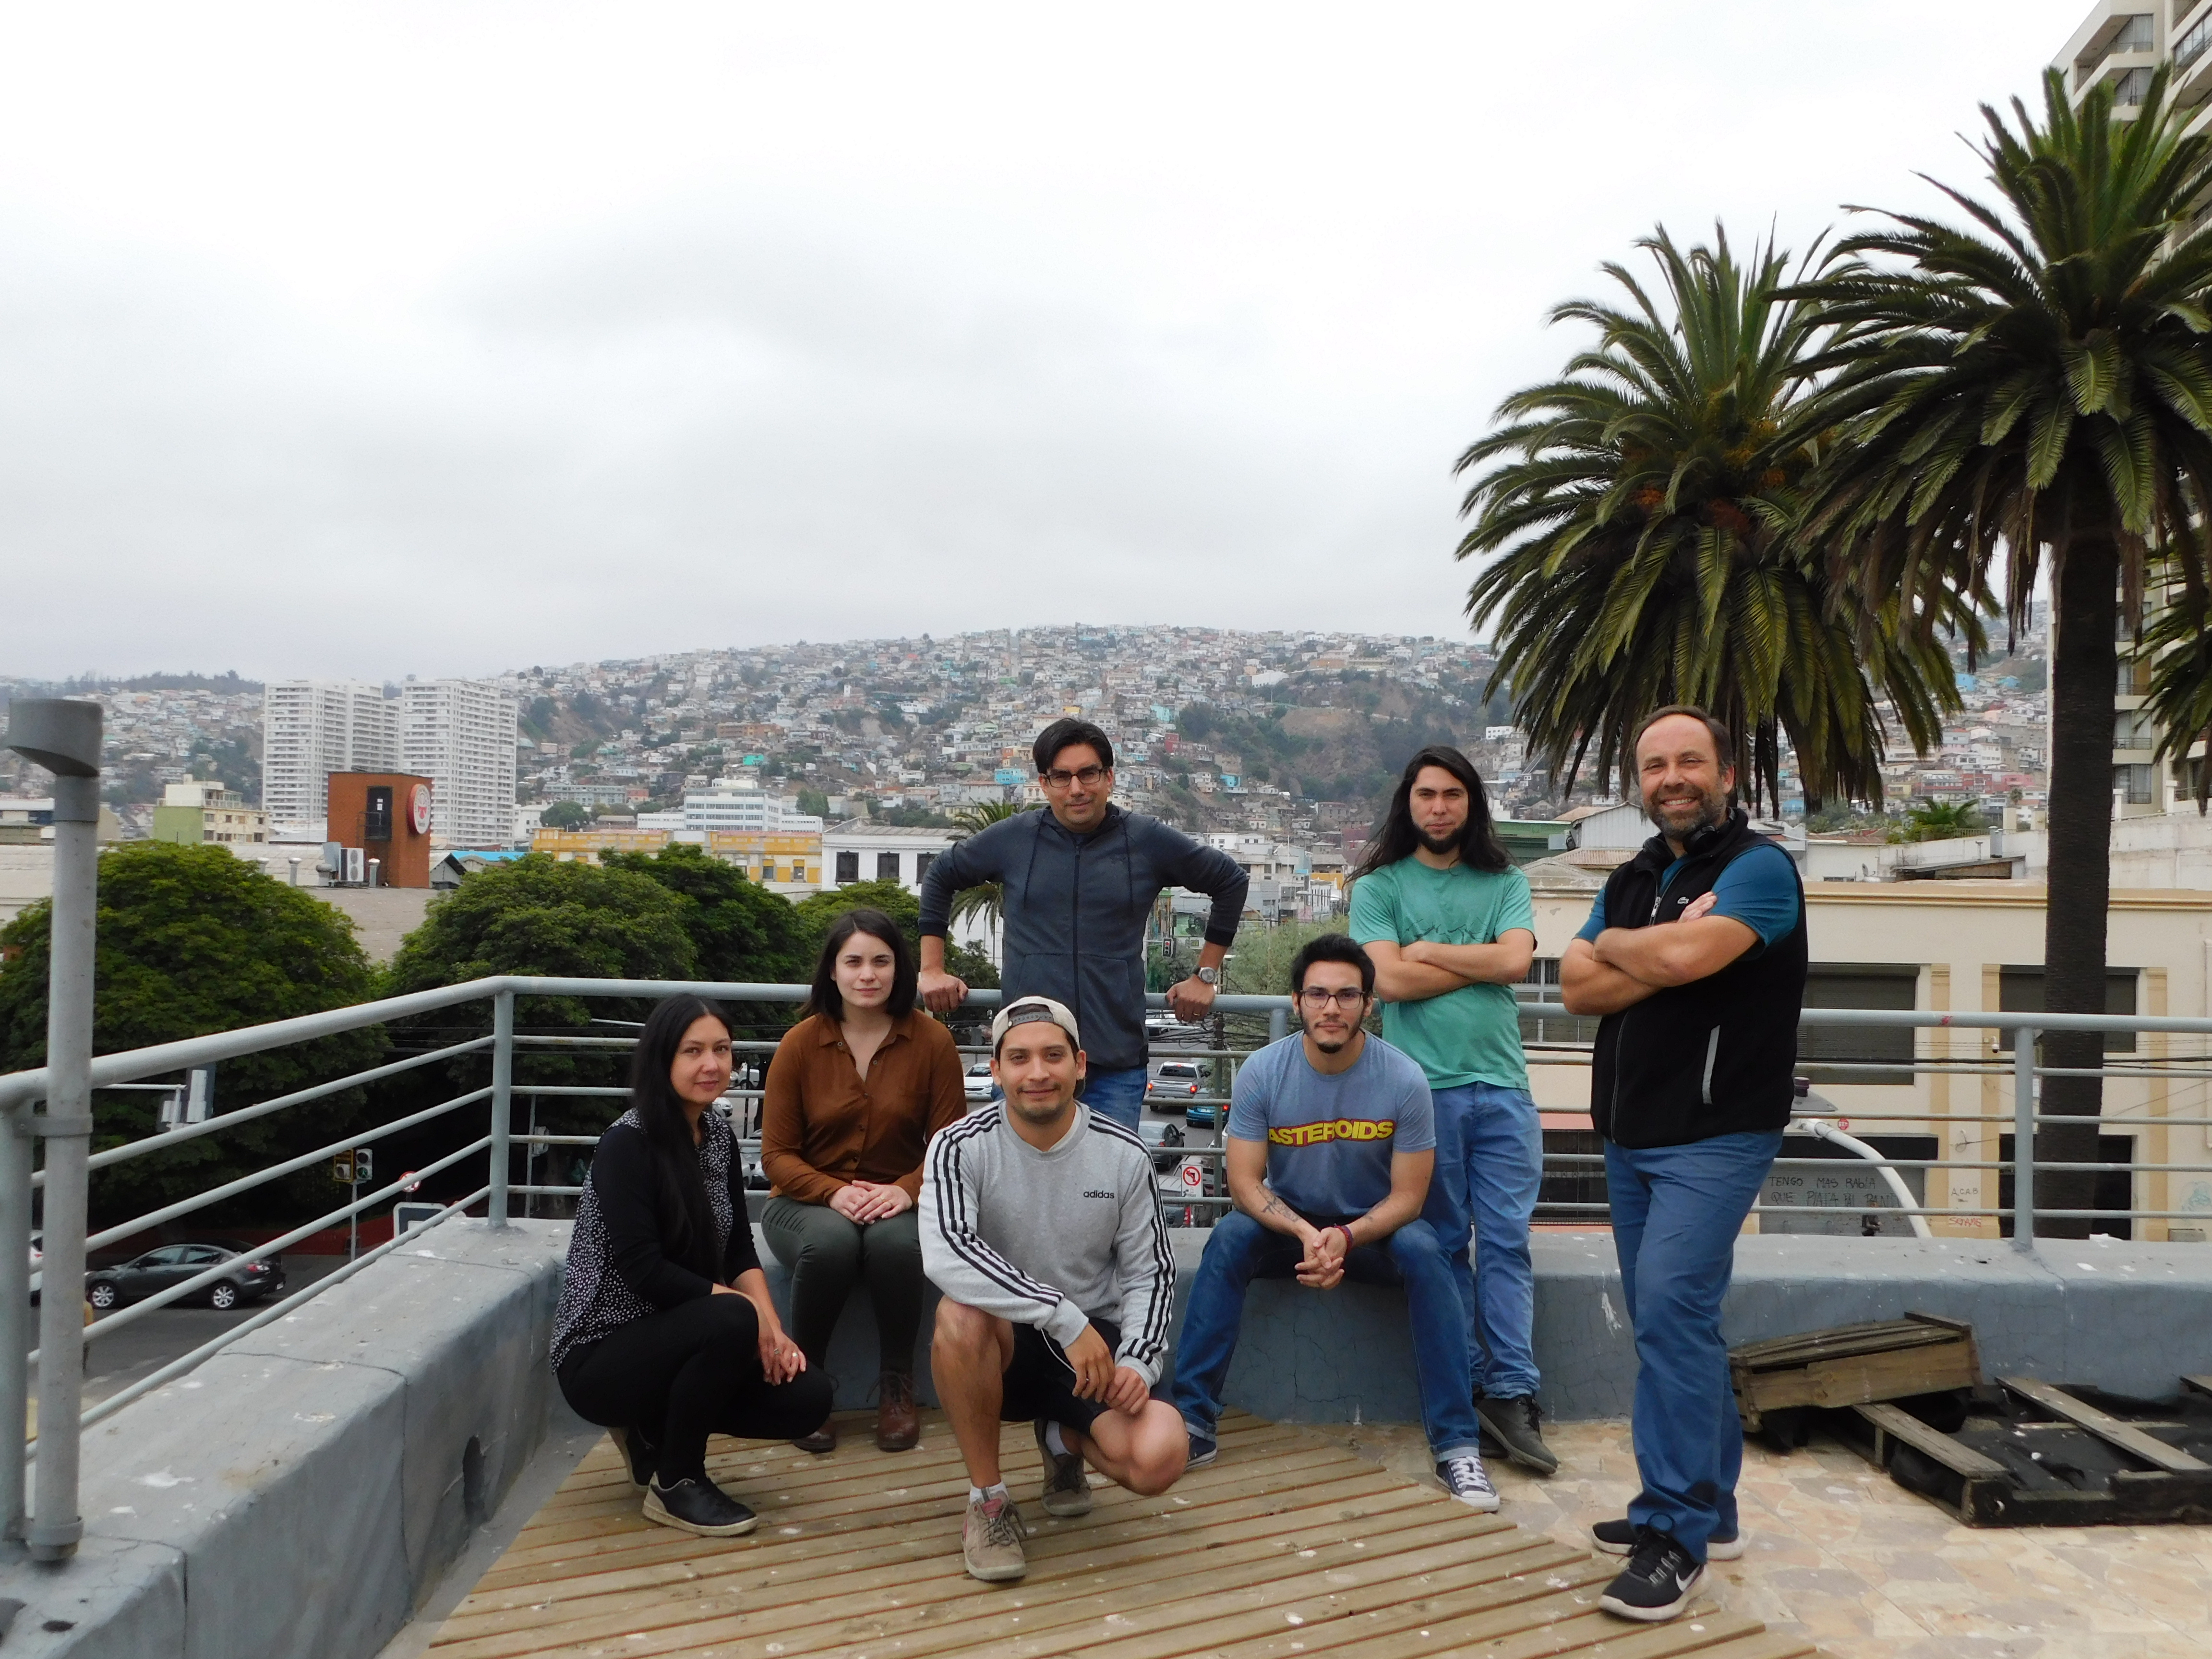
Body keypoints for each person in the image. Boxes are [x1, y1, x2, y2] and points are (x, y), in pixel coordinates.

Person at [1561, 706, 1806, 1623]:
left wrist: (1641, 947)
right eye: (1655, 763)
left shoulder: (1760, 871)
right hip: (1630, 1137)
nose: (1672, 776)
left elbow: (1662, 954)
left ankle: (1674, 1532)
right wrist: (1655, 948)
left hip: (1714, 1135)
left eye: (1689, 761)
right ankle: (1714, 1507)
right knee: (1672, 1321)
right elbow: (1576, 985)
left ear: (1727, 773)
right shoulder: (1635, 874)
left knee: (1668, 1314)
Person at [1170, 934, 1500, 1512]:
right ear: (1296, 1002)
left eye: (1348, 996)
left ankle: (1457, 1447)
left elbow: (1410, 1198)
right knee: (1229, 1238)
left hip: (1373, 1230)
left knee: (1431, 1251)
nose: (1332, 1008)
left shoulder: (1403, 1079)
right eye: (1318, 994)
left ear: (1369, 1005)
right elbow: (1246, 1184)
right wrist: (1305, 1234)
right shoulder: (1263, 1073)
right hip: (1292, 1227)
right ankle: (1192, 1423)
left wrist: (1346, 1237)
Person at [919, 995, 1186, 1582]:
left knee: (1161, 1453)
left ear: (1080, 1064)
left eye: (1052, 1056)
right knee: (958, 1317)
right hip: (1007, 1345)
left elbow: (1150, 1271)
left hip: (1093, 1350)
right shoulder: (958, 1146)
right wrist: (1060, 1318)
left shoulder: (1124, 1152)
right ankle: (987, 1502)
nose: (1036, 1073)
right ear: (995, 1070)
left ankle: (1062, 1440)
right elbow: (949, 1253)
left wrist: (1138, 1364)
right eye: (1018, 1058)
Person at [552, 996, 833, 1538]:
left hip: (683, 1335)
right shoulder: (626, 1145)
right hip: (600, 1356)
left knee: (809, 1397)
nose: (712, 1064)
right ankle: (676, 1481)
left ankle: (653, 1431)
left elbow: (737, 1251)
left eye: (722, 1050)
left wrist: (773, 1333)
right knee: (731, 1319)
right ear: (663, 1059)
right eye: (694, 1051)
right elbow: (644, 1271)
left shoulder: (719, 1137)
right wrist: (745, 1317)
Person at [1348, 745, 1552, 1474]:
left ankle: (1513, 1391)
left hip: (1503, 1089)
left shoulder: (1507, 880)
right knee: (1439, 1245)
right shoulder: (1379, 886)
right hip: (1421, 1092)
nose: (1439, 807)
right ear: (1410, 802)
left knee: (1505, 1242)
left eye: (1453, 795)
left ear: (1473, 804)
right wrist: (1468, 958)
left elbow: (1515, 964)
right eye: (1427, 794)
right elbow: (1390, 986)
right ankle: (1464, 1383)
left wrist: (1428, 950)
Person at [915, 717, 1249, 1131]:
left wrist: (1205, 975)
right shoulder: (1015, 839)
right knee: (1023, 1189)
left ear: (1109, 777)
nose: (1076, 789)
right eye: (1062, 776)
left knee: (1105, 1191)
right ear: (1044, 783)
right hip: (1027, 1061)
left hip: (1114, 1064)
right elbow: (941, 875)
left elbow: (1230, 881)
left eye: (1088, 773)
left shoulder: (1145, 840)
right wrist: (931, 969)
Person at [760, 908, 965, 1454]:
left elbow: (951, 1147)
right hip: (802, 1201)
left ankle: (897, 1384)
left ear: (901, 969)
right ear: (832, 971)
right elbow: (776, 1156)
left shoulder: (932, 1044)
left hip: (900, 1201)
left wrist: (905, 1190)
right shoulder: (800, 1044)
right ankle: (807, 1384)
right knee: (830, 1243)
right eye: (853, 962)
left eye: (881, 961)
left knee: (896, 1244)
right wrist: (833, 1191)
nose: (867, 975)